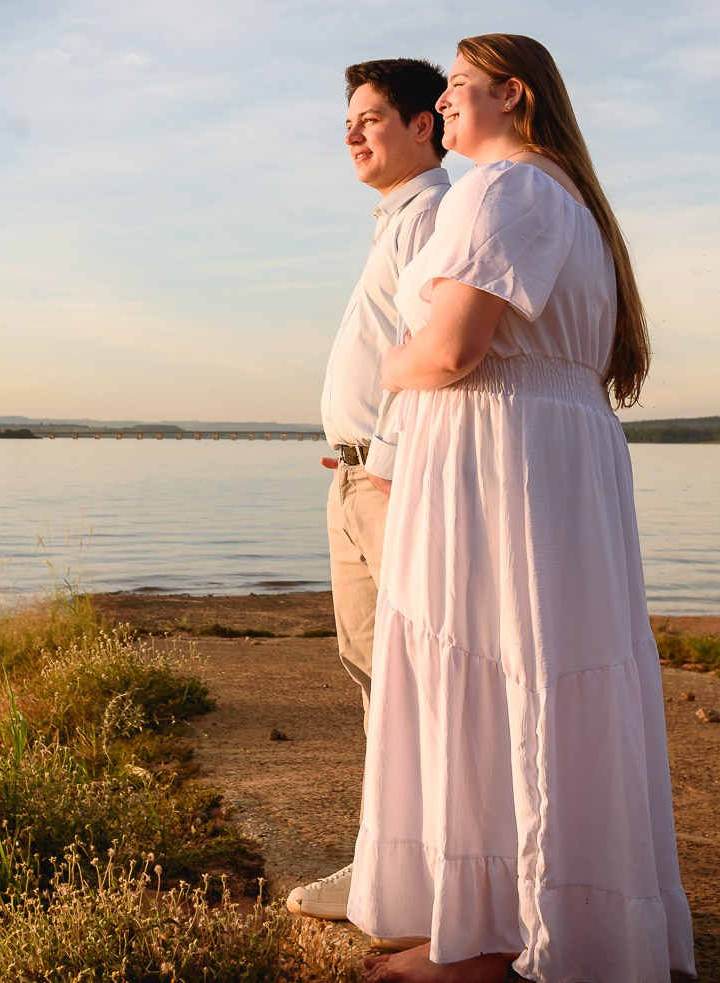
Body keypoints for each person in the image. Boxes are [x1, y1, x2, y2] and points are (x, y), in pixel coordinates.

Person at [350, 34, 695, 981]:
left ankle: (494, 940)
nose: (446, 101)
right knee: (535, 670)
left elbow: (452, 347)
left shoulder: (506, 189)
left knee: (498, 672)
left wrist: (391, 361)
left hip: (497, 452)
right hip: (546, 449)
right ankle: (518, 920)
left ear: (514, 95)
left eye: (459, 87)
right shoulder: (562, 198)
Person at [285, 58, 450, 926]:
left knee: (411, 683)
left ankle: (419, 877)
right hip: (355, 475)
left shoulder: (432, 219)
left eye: (371, 117)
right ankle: (388, 864)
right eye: (347, 120)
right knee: (372, 675)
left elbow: (436, 352)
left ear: (426, 124)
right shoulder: (394, 221)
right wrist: (351, 449)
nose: (351, 133)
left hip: (391, 480)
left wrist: (382, 453)